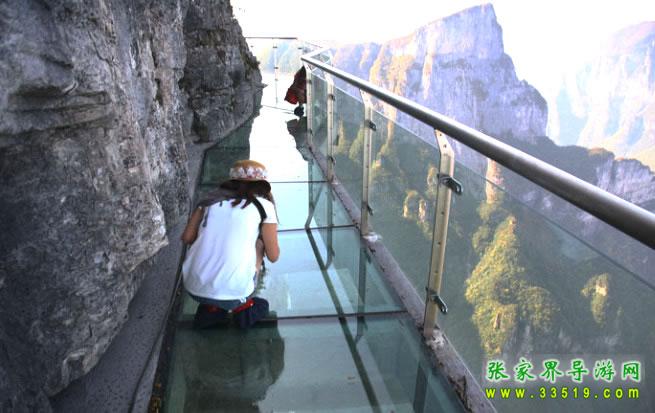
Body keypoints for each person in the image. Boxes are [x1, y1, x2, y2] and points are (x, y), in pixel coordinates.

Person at [181, 160, 280, 329]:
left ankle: (213, 309)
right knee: (258, 244)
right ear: (261, 185)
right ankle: (242, 307)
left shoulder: (208, 201)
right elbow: (273, 256)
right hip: (235, 293)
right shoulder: (265, 207)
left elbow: (187, 238)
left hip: (193, 286)